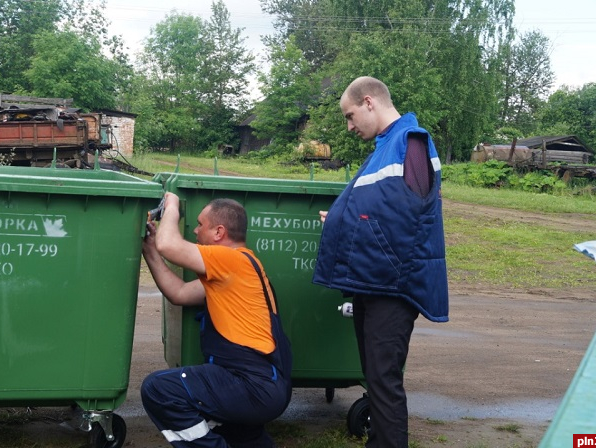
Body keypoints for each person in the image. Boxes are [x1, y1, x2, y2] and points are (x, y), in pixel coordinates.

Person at [312, 76, 449, 447]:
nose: (350, 125)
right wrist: (341, 217)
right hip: (373, 282)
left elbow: (414, 208)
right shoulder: (385, 147)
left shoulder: (411, 141)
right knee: (375, 378)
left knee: (384, 383)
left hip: (393, 287)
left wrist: (351, 218)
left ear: (369, 102)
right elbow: (381, 208)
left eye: (351, 115)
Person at [141, 192, 292, 448]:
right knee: (241, 437)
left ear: (219, 232)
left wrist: (172, 205)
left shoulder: (232, 260)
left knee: (159, 389)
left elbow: (170, 246)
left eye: (201, 225)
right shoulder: (232, 273)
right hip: (262, 387)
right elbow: (178, 293)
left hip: (251, 385)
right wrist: (149, 251)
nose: (196, 231)